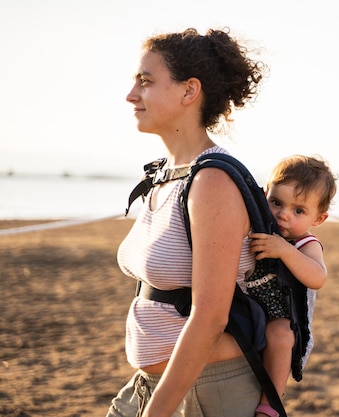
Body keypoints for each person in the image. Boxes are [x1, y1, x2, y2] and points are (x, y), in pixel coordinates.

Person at [107, 28, 268, 417]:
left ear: (188, 91)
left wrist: (156, 411)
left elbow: (211, 316)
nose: (131, 95)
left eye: (145, 82)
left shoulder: (212, 181)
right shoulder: (167, 173)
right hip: (156, 386)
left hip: (207, 393)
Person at [248, 155, 337, 417]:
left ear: (318, 219)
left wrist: (284, 252)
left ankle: (270, 403)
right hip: (250, 306)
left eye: (298, 210)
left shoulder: (305, 244)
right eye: (276, 202)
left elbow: (318, 277)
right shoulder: (260, 227)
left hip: (283, 316)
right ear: (265, 194)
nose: (283, 215)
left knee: (280, 335)